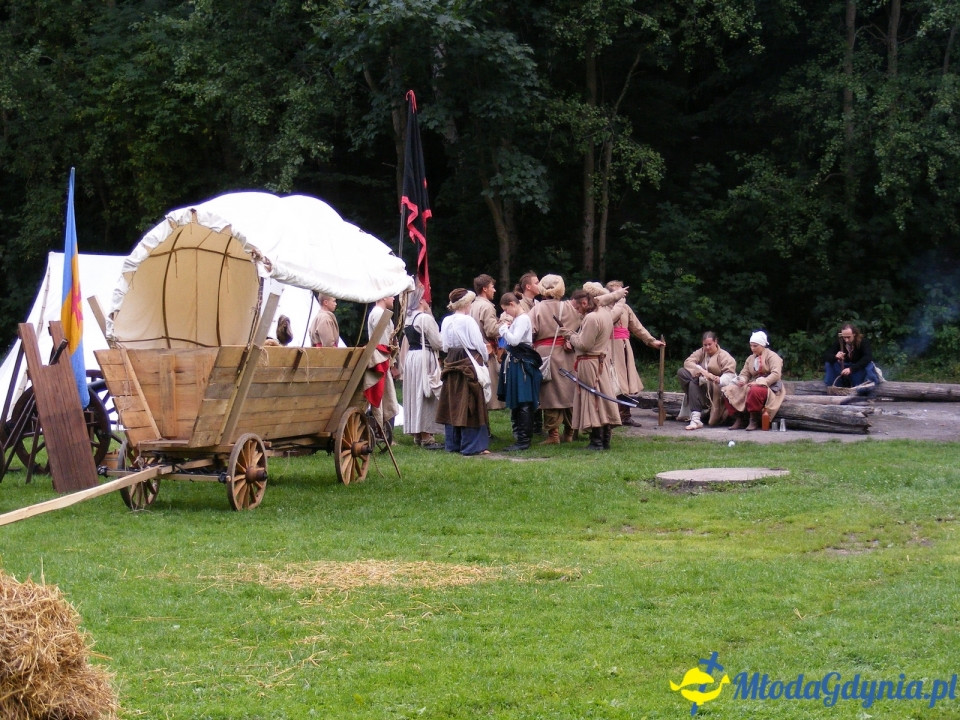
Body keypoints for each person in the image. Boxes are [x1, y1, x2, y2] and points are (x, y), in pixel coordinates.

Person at [562, 289, 622, 450]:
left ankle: (597, 441)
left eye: (577, 307)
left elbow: (585, 345)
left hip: (590, 362)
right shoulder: (604, 313)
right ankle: (604, 440)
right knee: (600, 399)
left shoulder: (591, 318)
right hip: (599, 361)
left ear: (584, 303)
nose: (577, 311)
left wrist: (569, 335)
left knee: (592, 399)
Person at [436, 288, 491, 455]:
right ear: (466, 303)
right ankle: (471, 445)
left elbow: (444, 345)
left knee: (452, 400)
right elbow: (478, 344)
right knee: (470, 401)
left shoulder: (446, 321)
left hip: (452, 360)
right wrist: (485, 358)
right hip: (468, 361)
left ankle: (453, 443)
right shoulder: (468, 321)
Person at [603, 280, 665, 427]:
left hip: (624, 347)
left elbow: (637, 327)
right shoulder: (603, 307)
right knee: (612, 380)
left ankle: (625, 415)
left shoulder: (626, 308)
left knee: (626, 381)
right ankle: (612, 416)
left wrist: (651, 340)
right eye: (617, 292)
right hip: (609, 347)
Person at [528, 274, 580, 444]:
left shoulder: (537, 309)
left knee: (549, 395)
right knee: (570, 392)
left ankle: (553, 435)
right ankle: (569, 433)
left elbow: (531, 332)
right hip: (568, 353)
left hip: (545, 355)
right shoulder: (570, 308)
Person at [497, 292, 542, 451]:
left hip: (521, 363)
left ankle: (523, 441)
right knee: (519, 401)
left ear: (512, 304)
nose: (506, 313)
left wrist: (503, 329)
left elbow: (515, 340)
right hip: (516, 362)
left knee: (523, 401)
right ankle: (520, 438)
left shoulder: (523, 319)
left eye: (506, 310)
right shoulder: (519, 319)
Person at [400, 286, 444, 449]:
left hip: (412, 357)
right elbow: (438, 342)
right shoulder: (425, 319)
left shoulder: (408, 318)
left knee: (415, 392)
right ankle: (426, 435)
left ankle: (418, 433)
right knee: (425, 394)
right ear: (420, 300)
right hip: (424, 357)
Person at [721, 330, 786, 431]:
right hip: (752, 384)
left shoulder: (773, 357)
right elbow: (745, 373)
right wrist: (742, 380)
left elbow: (776, 374)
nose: (752, 348)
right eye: (751, 345)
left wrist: (761, 382)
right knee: (727, 390)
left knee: (754, 390)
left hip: (770, 386)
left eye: (755, 346)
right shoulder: (750, 358)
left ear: (762, 345)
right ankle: (739, 418)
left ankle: (753, 419)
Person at [677, 331, 737, 430]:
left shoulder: (724, 356)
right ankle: (696, 410)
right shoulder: (701, 352)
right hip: (702, 381)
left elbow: (730, 375)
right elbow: (688, 362)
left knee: (695, 381)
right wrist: (702, 371)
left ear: (716, 342)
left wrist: (719, 379)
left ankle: (696, 419)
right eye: (705, 345)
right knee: (682, 372)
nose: (707, 347)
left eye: (710, 344)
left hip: (716, 387)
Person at [469, 273, 505, 411]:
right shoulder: (487, 307)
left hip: (473, 353)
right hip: (486, 353)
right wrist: (505, 326)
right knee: (487, 392)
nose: (494, 290)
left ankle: (483, 429)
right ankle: (485, 431)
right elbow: (491, 330)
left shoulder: (472, 305)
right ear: (485, 289)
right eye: (492, 287)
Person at [366, 294, 399, 444]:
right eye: (391, 296)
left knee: (386, 395)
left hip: (381, 357)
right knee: (385, 396)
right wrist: (391, 361)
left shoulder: (378, 313)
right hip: (380, 359)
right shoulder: (379, 314)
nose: (393, 299)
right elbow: (384, 342)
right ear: (383, 297)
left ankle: (382, 432)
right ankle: (382, 432)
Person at [823, 322, 882, 388]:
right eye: (844, 337)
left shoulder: (863, 342)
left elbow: (867, 357)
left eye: (848, 337)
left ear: (854, 334)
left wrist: (851, 369)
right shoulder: (840, 342)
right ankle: (833, 386)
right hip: (843, 369)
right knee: (829, 363)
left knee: (869, 365)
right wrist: (835, 357)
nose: (846, 340)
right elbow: (826, 356)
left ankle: (866, 384)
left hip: (857, 368)